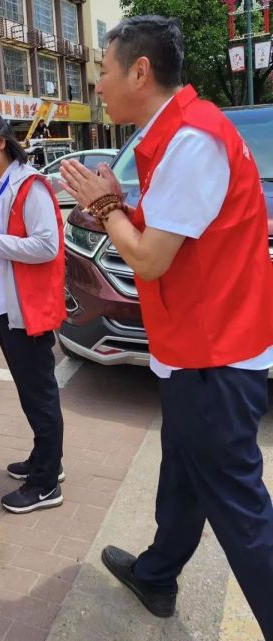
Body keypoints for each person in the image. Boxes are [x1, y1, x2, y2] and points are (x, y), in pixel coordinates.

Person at [60, 16, 273, 638]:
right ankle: (157, 575)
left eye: (103, 69)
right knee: (181, 474)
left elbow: (151, 257)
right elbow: (165, 237)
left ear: (140, 71)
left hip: (215, 360)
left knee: (241, 513)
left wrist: (105, 206)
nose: (98, 83)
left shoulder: (192, 140)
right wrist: (115, 211)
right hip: (195, 352)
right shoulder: (176, 135)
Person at [0, 109, 66, 514]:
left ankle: (45, 485)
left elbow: (47, 246)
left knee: (40, 396)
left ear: (1, 142)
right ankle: (45, 462)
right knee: (30, 392)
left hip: (28, 309)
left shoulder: (30, 186)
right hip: (4, 305)